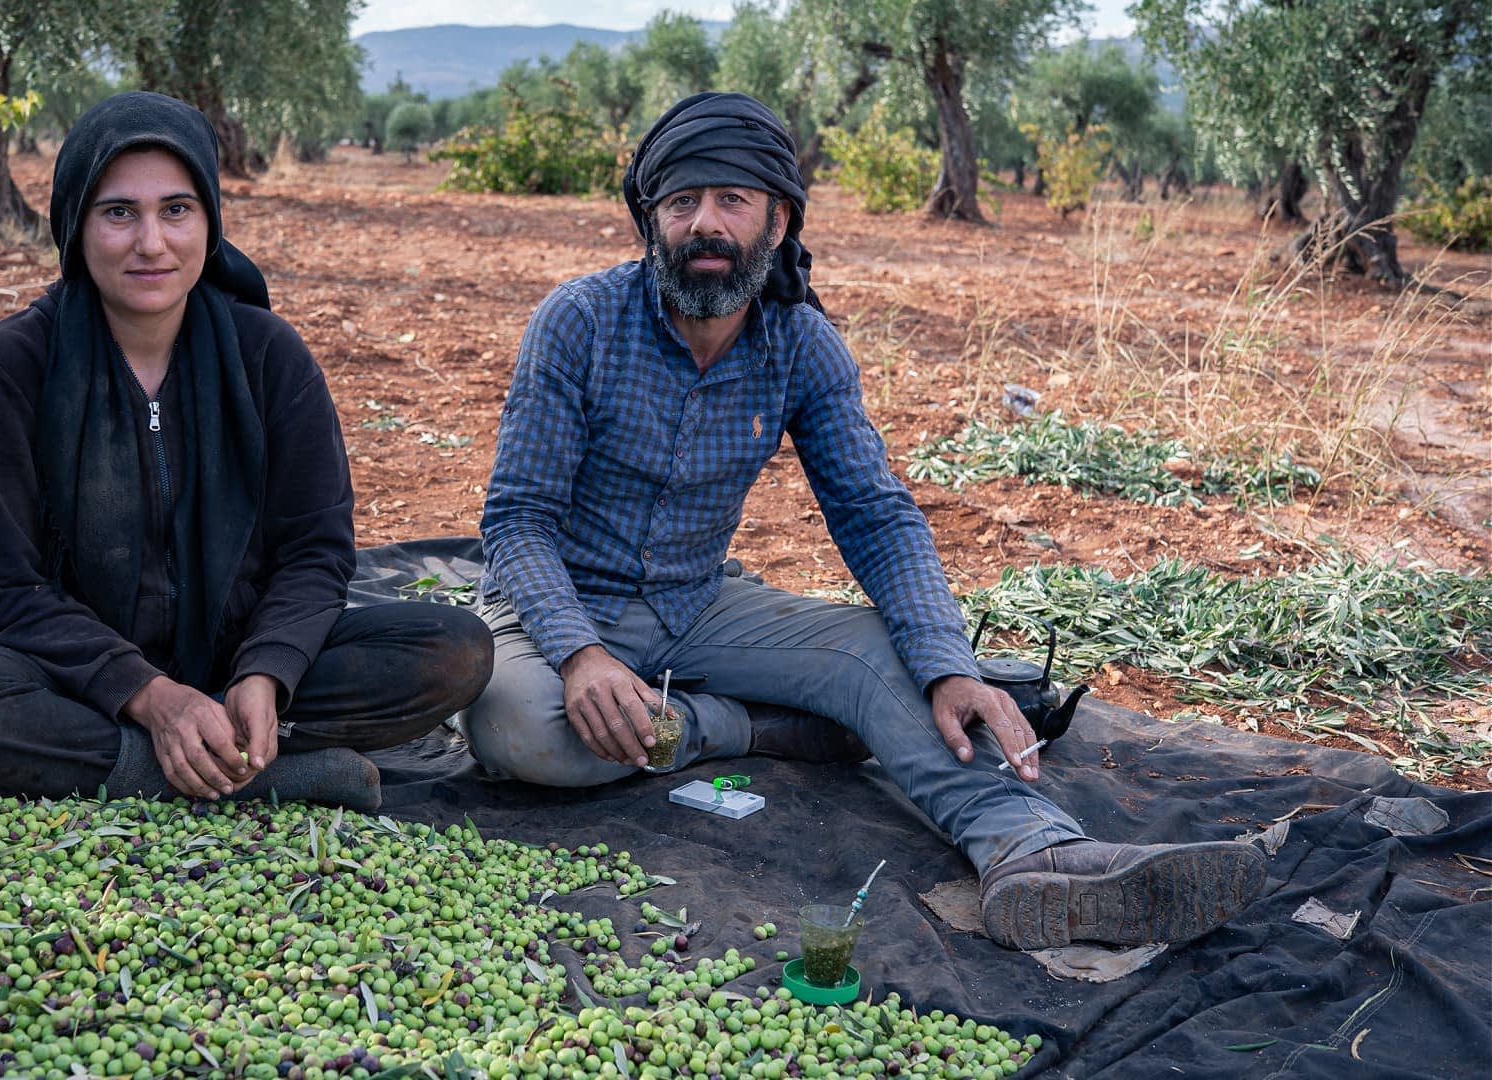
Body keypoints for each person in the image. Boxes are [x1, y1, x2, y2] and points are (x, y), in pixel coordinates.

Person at [465, 92, 1263, 950]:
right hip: (555, 608)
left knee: (889, 663)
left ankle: (1032, 850)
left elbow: (876, 516)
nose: (705, 224)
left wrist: (948, 664)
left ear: (777, 223)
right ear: (649, 221)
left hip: (693, 603)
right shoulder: (579, 323)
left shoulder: (802, 344)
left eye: (732, 200)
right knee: (523, 727)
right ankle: (743, 725)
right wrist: (581, 653)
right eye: (681, 203)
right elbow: (517, 519)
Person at [0, 92, 491, 812]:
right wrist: (150, 696)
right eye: (118, 213)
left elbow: (316, 551)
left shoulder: (270, 356)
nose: (151, 243)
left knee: (454, 647)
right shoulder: (9, 366)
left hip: (243, 662)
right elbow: (7, 588)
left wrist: (266, 672)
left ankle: (203, 745)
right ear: (76, 224)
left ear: (209, 221)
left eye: (176, 210)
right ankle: (265, 774)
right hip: (86, 681)